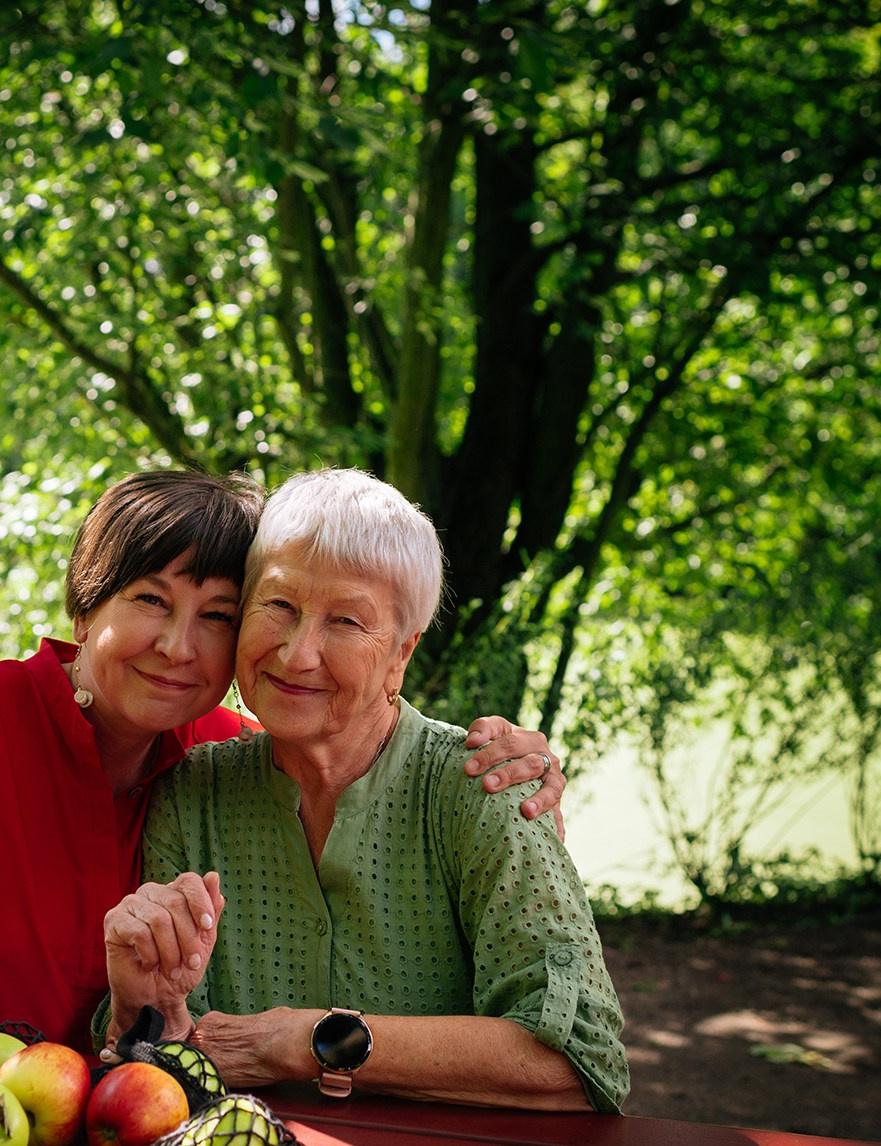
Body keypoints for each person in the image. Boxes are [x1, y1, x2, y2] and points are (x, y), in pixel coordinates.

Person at [0, 468, 568, 1050]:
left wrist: (512, 775)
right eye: (151, 601)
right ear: (86, 607)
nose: (178, 645)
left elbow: (362, 731)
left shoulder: (221, 762)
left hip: (96, 1139)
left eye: (216, 615)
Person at [103, 468, 628, 1112]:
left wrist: (313, 1040)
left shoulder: (484, 787)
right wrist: (142, 1010)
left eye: (346, 621)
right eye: (279, 607)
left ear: (400, 654)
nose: (297, 655)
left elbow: (580, 1061)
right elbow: (168, 1052)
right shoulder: (193, 794)